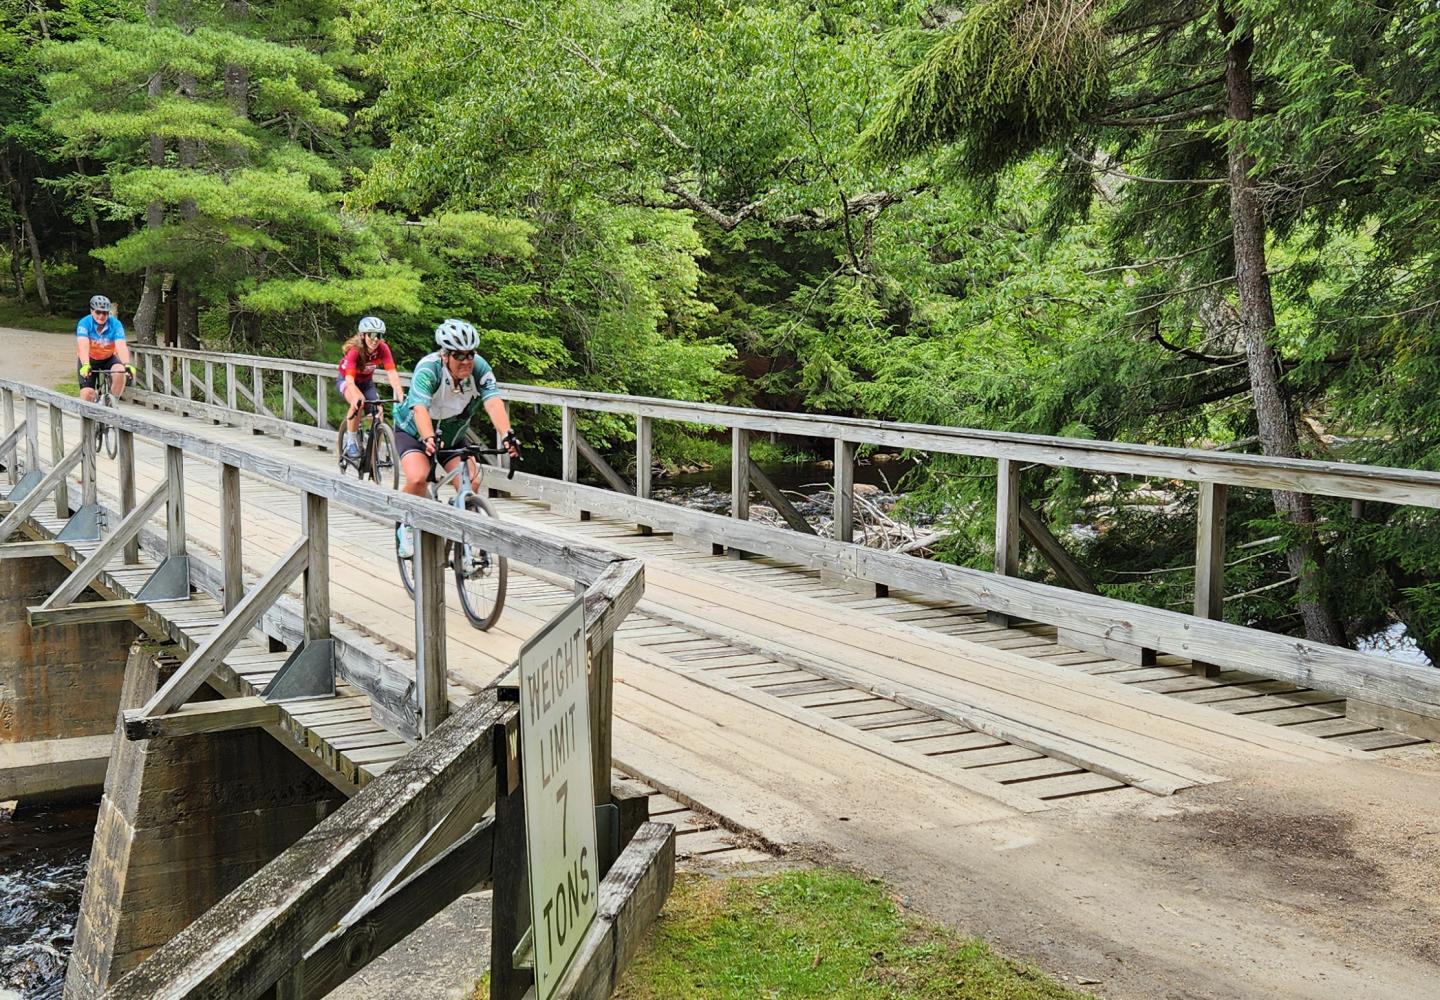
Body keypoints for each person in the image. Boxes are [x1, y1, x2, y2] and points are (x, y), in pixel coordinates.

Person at [392, 319, 521, 557]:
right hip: (414, 432)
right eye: (459, 356)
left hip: (452, 437)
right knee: (418, 477)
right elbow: (419, 408)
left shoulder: (480, 368)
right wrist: (428, 436)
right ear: (445, 355)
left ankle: (463, 526)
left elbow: (492, 401)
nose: (466, 361)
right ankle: (405, 524)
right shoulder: (428, 368)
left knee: (471, 481)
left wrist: (506, 434)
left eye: (470, 354)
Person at [337, 316, 405, 463]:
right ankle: (351, 441)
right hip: (348, 381)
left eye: (379, 336)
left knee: (378, 412)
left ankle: (373, 453)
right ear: (363, 335)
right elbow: (349, 379)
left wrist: (400, 394)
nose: (375, 339)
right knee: (358, 403)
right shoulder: (355, 351)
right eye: (372, 335)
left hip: (366, 382)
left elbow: (392, 372)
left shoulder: (382, 349)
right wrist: (356, 396)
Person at [76, 294, 135, 403]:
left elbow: (121, 345)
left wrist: (126, 363)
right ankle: (87, 418)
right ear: (91, 311)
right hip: (89, 359)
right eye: (98, 312)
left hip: (108, 357)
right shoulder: (84, 323)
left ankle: (112, 402)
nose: (101, 316)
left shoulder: (115, 324)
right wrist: (85, 364)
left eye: (105, 313)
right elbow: (83, 345)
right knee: (87, 394)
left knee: (120, 371)